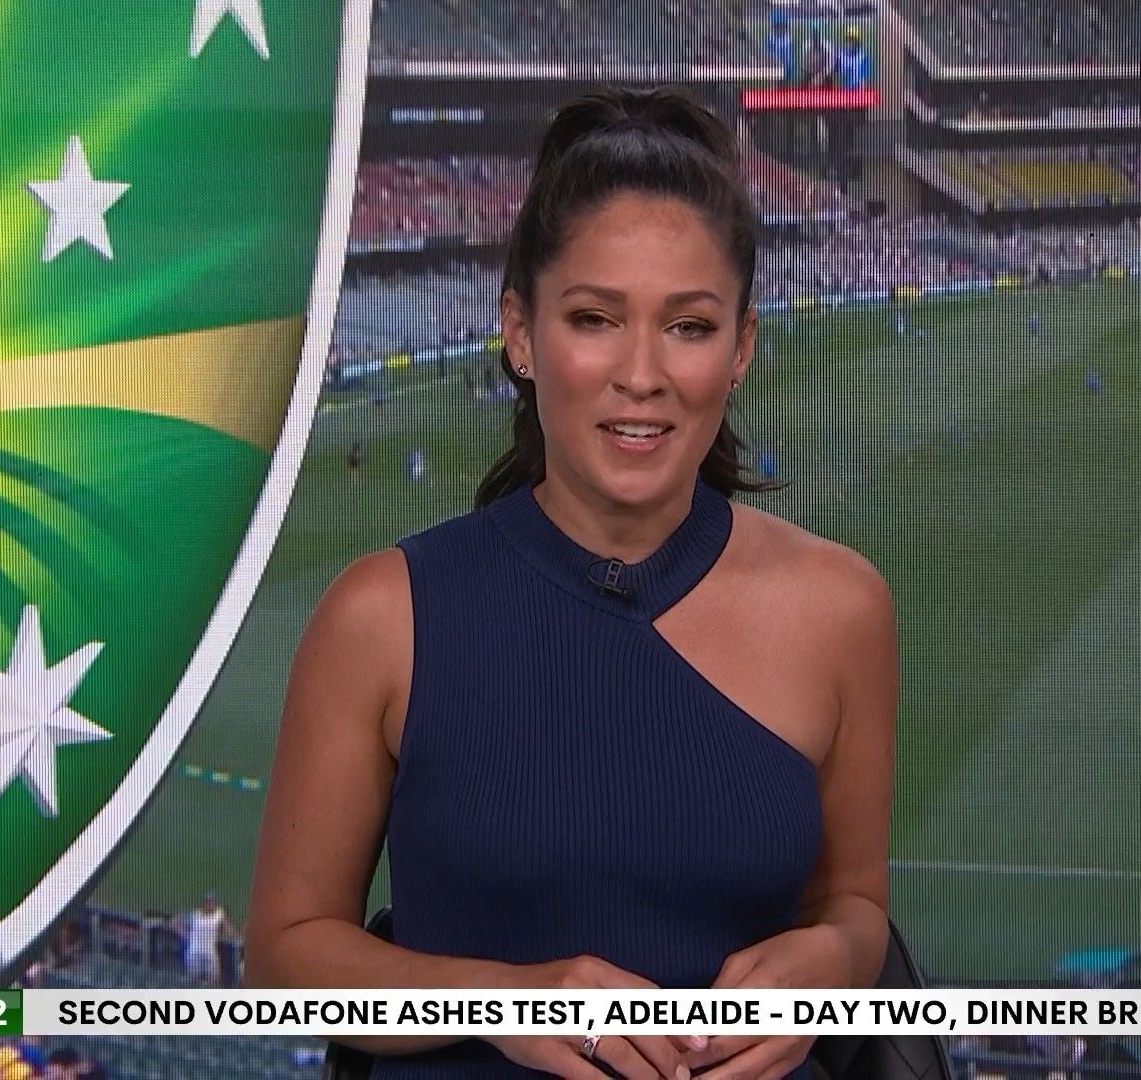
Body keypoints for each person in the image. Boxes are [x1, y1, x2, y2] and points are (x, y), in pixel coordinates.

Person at [246, 86, 897, 1080]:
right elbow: (286, 959)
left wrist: (832, 960)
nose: (642, 373)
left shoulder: (841, 609)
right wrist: (505, 1000)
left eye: (689, 327)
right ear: (520, 332)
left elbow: (853, 906)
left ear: (741, 349)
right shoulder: (382, 617)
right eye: (595, 318)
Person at [183, 892, 239, 985]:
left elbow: (228, 929)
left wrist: (234, 935)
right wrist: (186, 935)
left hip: (210, 953)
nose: (210, 905)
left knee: (213, 979)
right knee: (194, 979)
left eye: (212, 903)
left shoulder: (219, 914)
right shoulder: (195, 915)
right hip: (194, 952)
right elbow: (175, 922)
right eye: (208, 902)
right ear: (203, 904)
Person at [835, 26, 870, 91]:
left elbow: (864, 75)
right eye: (848, 40)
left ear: (857, 43)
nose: (849, 43)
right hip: (845, 90)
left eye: (852, 40)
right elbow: (835, 69)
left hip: (859, 91)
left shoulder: (864, 57)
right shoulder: (840, 55)